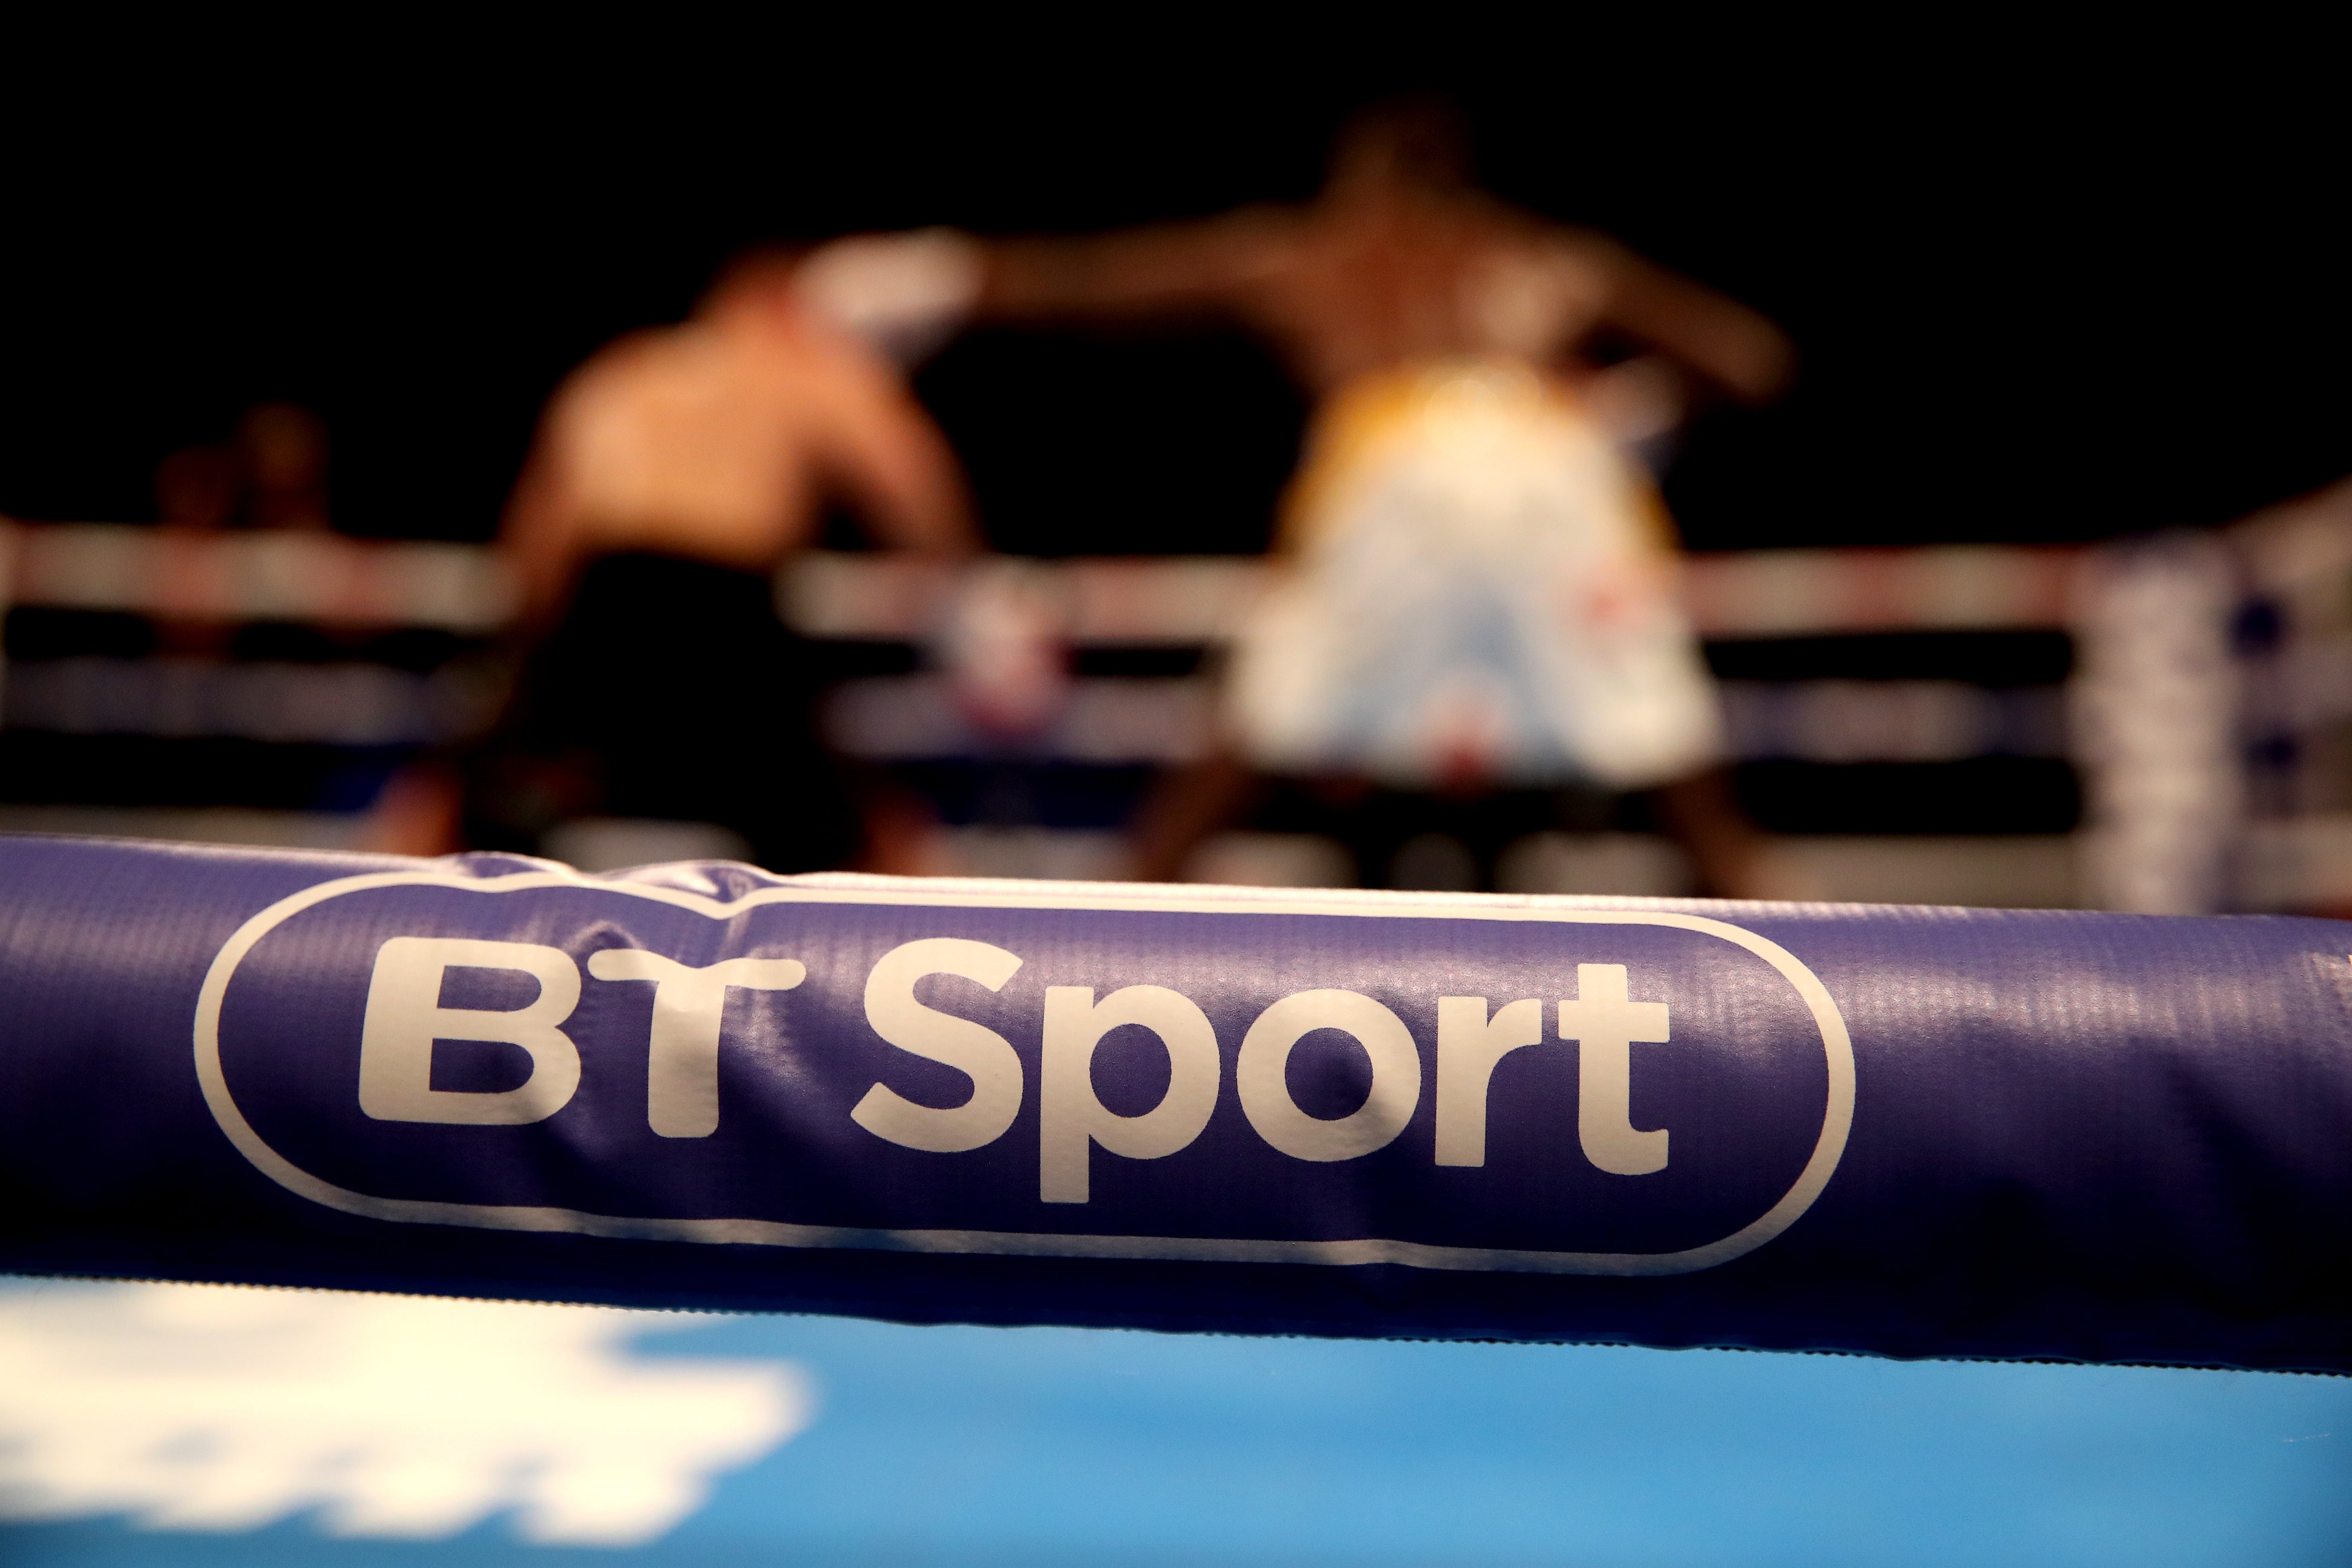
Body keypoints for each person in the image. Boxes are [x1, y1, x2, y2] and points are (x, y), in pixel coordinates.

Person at [948, 101, 1796, 893]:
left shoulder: (1318, 250)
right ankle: (1806, 963)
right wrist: (1619, 411)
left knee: (1261, 720)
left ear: (1362, 173)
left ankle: (1094, 944)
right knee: (1661, 748)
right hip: (1553, 462)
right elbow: (1750, 359)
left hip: (1401, 456)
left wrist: (937, 274)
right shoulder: (1540, 256)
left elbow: (1098, 285)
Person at [375, 256, 979, 870]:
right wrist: (956, 584)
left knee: (455, 800)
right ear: (783, 304)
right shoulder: (794, 367)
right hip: (723, 606)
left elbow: (538, 547)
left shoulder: (626, 372)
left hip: (606, 604)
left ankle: (357, 938)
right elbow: (909, 480)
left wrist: (524, 674)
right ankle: (949, 948)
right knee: (866, 834)